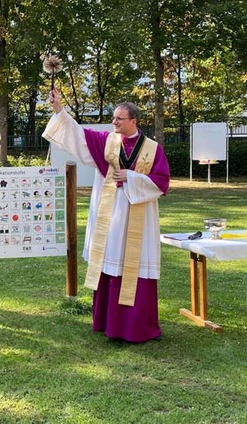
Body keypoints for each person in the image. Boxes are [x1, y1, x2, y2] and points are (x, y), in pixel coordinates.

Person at [43, 88, 170, 343]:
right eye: (114, 118)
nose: (114, 122)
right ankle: (108, 324)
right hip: (111, 216)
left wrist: (132, 178)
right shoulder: (107, 141)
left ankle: (137, 327)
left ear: (133, 121)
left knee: (135, 267)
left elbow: (162, 181)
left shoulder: (152, 149)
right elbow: (79, 136)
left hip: (139, 216)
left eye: (119, 119)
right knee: (112, 263)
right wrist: (59, 109)